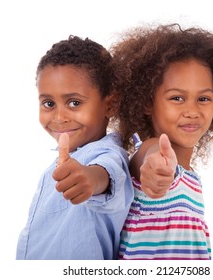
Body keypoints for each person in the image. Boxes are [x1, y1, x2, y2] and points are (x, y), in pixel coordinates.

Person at [111, 23, 213, 260]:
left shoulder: (190, 178)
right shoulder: (153, 155)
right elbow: (148, 159)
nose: (192, 110)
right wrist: (154, 168)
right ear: (147, 102)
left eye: (203, 98)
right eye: (177, 98)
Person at [16, 35, 133, 260]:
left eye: (74, 103)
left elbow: (105, 174)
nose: (59, 117)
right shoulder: (64, 161)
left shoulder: (108, 153)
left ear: (110, 104)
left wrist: (89, 179)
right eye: (48, 104)